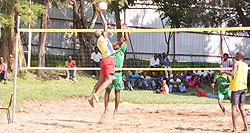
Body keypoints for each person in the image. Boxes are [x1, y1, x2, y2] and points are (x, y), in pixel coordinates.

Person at [88, 8, 121, 107]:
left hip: (103, 60)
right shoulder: (104, 37)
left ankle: (90, 97)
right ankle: (97, 95)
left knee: (101, 80)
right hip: (109, 59)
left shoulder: (98, 42)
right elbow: (105, 23)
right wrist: (100, 13)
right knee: (109, 80)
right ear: (101, 34)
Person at [104, 23, 128, 117]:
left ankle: (115, 111)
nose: (117, 46)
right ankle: (106, 109)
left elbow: (126, 41)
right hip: (110, 74)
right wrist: (118, 42)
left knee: (117, 92)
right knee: (107, 91)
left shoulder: (121, 51)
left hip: (118, 74)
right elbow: (108, 44)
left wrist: (125, 30)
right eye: (116, 45)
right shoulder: (110, 51)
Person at [222, 51, 248, 132]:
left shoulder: (236, 63)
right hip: (244, 87)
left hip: (236, 87)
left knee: (234, 107)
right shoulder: (245, 65)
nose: (235, 55)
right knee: (242, 108)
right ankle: (246, 127)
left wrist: (224, 71)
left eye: (237, 54)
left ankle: (235, 129)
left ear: (239, 56)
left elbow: (233, 74)